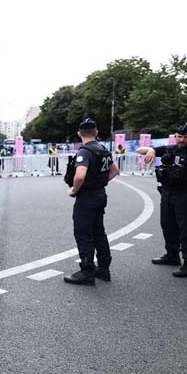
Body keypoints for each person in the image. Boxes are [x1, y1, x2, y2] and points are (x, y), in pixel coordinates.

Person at [136, 123, 187, 277]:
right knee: (167, 225)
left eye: (186, 137)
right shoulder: (171, 149)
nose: (182, 140)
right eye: (179, 136)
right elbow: (140, 150)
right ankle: (172, 255)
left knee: (186, 230)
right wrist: (151, 149)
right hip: (168, 193)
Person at [63, 118, 120, 285]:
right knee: (98, 232)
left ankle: (87, 271)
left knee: (83, 233)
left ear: (79, 134)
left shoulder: (85, 152)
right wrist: (100, 183)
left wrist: (74, 190)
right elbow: (115, 170)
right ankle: (103, 269)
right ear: (96, 132)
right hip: (100, 194)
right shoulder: (103, 150)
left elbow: (80, 175)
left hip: (87, 197)